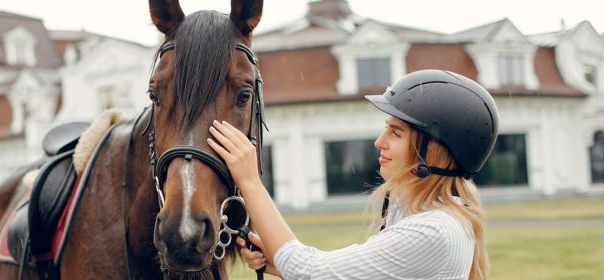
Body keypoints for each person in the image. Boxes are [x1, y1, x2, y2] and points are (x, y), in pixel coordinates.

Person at [206, 69, 498, 279]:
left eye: (396, 133)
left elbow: (308, 271)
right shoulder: (421, 214)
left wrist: (249, 181)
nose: (380, 141)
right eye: (386, 128)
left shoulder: (433, 231)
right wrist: (280, 264)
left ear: (433, 152)